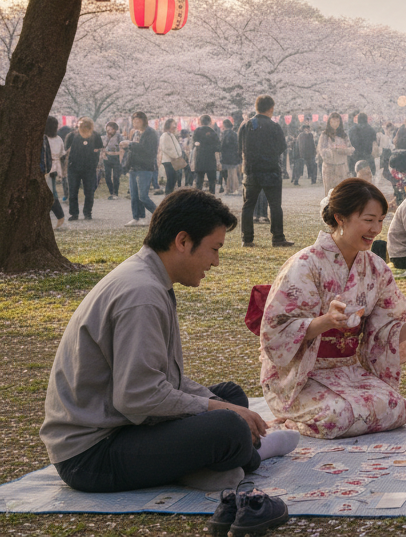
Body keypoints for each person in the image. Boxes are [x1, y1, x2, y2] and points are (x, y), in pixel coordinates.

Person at [41, 188, 300, 493]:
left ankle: (203, 465)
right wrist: (217, 411)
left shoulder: (151, 279)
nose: (216, 262)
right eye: (214, 249)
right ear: (182, 241)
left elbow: (163, 382)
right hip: (91, 455)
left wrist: (219, 404)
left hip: (123, 423)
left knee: (231, 397)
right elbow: (137, 396)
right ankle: (252, 454)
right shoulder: (142, 294)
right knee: (228, 427)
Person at [260, 178, 406, 438]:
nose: (376, 229)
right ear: (340, 218)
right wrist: (326, 321)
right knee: (338, 416)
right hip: (302, 376)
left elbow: (383, 332)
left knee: (396, 408)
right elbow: (277, 330)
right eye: (368, 219)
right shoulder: (305, 264)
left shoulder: (376, 268)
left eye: (381, 220)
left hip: (348, 370)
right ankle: (292, 417)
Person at [239, 96, 292, 248]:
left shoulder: (246, 125)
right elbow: (282, 146)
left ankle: (247, 239)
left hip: (251, 171)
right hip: (271, 171)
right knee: (275, 205)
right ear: (271, 109)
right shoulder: (274, 126)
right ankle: (278, 237)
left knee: (248, 205)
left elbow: (240, 146)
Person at [123, 112, 159, 227]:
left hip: (145, 167)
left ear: (144, 121)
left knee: (142, 196)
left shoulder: (151, 133)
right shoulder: (136, 133)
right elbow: (131, 152)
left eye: (138, 121)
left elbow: (148, 150)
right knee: (134, 195)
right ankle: (137, 217)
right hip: (134, 168)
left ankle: (160, 215)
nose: (135, 123)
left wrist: (130, 144)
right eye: (134, 121)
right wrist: (126, 166)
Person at [64, 117, 104, 221]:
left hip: (89, 168)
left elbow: (99, 150)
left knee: (89, 192)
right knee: (73, 191)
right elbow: (65, 150)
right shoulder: (72, 135)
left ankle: (87, 213)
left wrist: (97, 164)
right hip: (73, 167)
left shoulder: (96, 136)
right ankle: (74, 213)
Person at [318, 113, 353, 194]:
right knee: (329, 192)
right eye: (333, 121)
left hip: (341, 167)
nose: (335, 124)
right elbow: (321, 150)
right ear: (329, 122)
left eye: (337, 121)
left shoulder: (344, 135)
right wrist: (330, 151)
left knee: (341, 192)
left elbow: (351, 149)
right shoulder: (325, 135)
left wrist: (342, 150)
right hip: (329, 167)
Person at [190, 116, 220, 194]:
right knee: (212, 181)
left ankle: (198, 198)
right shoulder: (213, 132)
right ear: (210, 122)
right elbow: (218, 147)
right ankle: (212, 197)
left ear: (200, 122)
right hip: (210, 159)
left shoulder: (196, 131)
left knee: (199, 181)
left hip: (199, 159)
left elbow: (193, 144)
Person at [158, 120, 185, 195]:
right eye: (174, 124)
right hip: (169, 161)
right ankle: (168, 195)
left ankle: (170, 195)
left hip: (175, 160)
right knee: (171, 179)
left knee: (174, 179)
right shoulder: (165, 136)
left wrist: (179, 155)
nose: (175, 126)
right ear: (168, 125)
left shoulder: (172, 135)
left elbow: (176, 147)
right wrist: (175, 156)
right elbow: (165, 148)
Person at [219, 118, 241, 196]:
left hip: (227, 156)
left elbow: (222, 145)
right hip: (234, 156)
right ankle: (231, 188)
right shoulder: (235, 134)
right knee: (232, 172)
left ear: (224, 125)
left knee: (230, 173)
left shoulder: (225, 134)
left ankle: (232, 189)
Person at [102, 121, 123, 200]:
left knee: (116, 176)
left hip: (116, 157)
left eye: (110, 129)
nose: (109, 131)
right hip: (107, 157)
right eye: (107, 129)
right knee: (107, 176)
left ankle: (116, 193)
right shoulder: (106, 137)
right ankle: (111, 192)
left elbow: (122, 148)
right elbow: (103, 146)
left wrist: (121, 159)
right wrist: (104, 154)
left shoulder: (119, 136)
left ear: (114, 129)